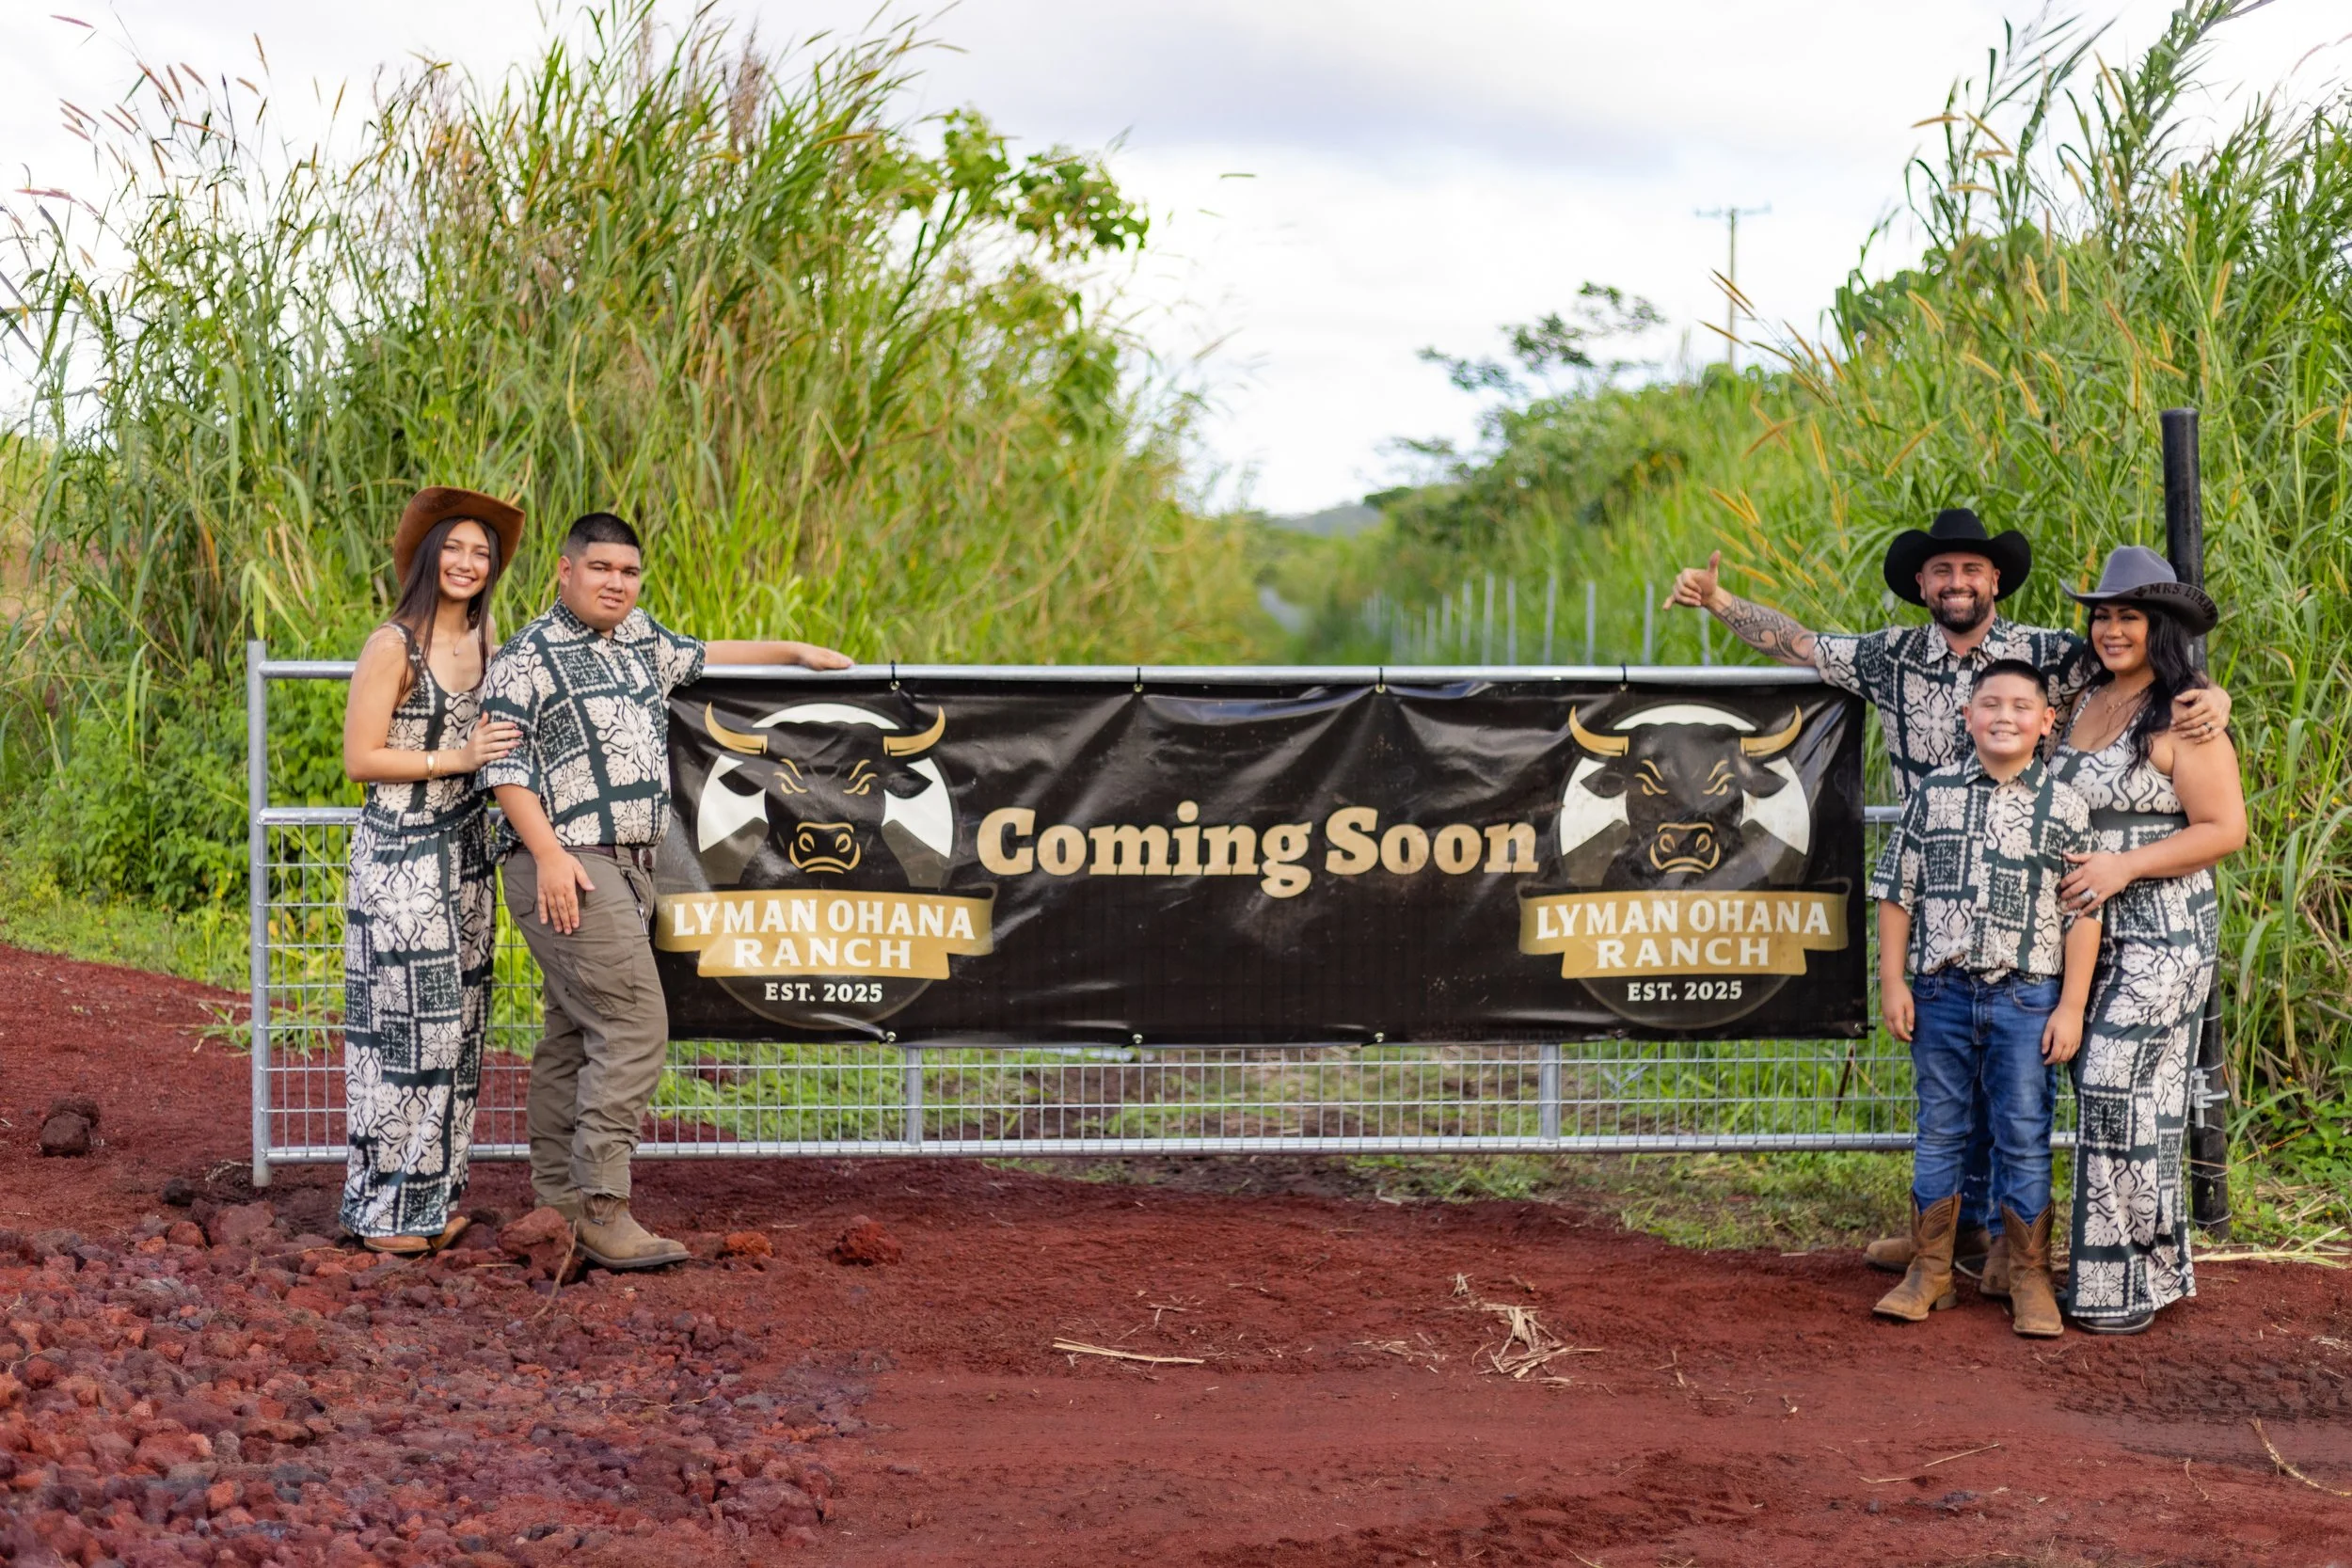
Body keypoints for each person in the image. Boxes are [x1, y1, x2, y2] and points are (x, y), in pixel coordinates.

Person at [1667, 508, 2233, 1289]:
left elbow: (2140, 667)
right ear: (1922, 586)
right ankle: (1949, 1234)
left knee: (2018, 1080)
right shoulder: (1890, 657)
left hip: (2031, 901)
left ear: (1995, 580)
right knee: (1950, 1080)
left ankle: (2013, 1247)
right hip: (1935, 896)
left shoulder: (2048, 653)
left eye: (1971, 570)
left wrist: (2211, 694)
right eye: (1941, 571)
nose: (1957, 582)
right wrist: (1720, 603)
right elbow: (1801, 643)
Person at [478, 512, 851, 1270]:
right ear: (565, 570)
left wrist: (794, 652)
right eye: (602, 568)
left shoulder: (642, 641)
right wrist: (548, 852)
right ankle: (602, 1208)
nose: (616, 583)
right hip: (568, 862)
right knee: (636, 1025)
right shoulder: (526, 656)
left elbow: (708, 651)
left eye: (629, 572)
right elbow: (503, 766)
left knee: (573, 1032)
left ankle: (556, 1203)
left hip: (629, 865)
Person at [1870, 659, 2100, 1338]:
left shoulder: (2063, 805)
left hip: (2028, 996)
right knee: (1940, 1127)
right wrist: (1893, 982)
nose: (2005, 715)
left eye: (2021, 706)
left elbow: (2083, 913)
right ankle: (1931, 1268)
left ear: (2045, 722)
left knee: (2024, 1135)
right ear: (1967, 716)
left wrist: (2072, 1006)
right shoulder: (1934, 793)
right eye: (1990, 703)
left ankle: (2026, 1274)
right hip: (1941, 991)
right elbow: (1895, 890)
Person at [2052, 547, 2245, 1334]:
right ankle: (2152, 1269)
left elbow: (2226, 828)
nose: (2112, 628)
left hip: (2164, 929)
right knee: (2140, 1100)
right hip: (2088, 927)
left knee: (2111, 1084)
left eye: (2129, 615)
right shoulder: (2083, 699)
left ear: (2159, 625)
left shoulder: (2184, 713)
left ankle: (2117, 1287)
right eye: (2102, 614)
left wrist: (2126, 864)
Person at [340, 486, 527, 1255]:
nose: (467, 562)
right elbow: (360, 758)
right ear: (428, 555)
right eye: (454, 547)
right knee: (414, 1030)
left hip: (466, 853)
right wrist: (457, 757)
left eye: (481, 553)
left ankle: (432, 1200)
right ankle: (384, 1213)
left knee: (463, 1031)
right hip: (401, 854)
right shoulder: (393, 644)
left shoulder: (491, 644)